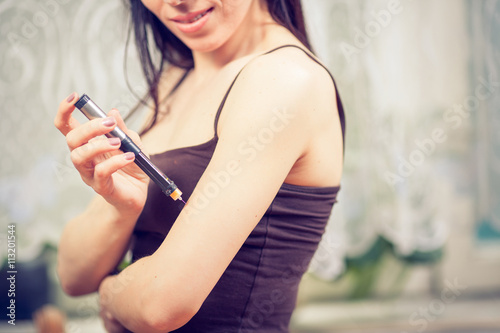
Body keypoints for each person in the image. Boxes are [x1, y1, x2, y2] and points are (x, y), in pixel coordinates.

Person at [54, 0, 345, 332]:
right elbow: (73, 277)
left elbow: (160, 305)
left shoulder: (284, 79)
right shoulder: (178, 78)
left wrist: (108, 294)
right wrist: (120, 208)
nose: (177, 1)